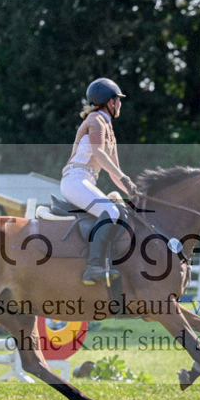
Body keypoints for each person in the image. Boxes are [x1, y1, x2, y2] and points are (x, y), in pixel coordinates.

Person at [60, 78, 138, 285]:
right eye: (118, 100)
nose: (120, 104)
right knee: (111, 212)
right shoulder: (95, 120)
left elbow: (114, 172)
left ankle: (106, 261)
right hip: (75, 179)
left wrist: (134, 193)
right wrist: (126, 179)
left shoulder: (109, 129)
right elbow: (98, 153)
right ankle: (93, 266)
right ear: (110, 102)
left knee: (121, 211)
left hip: (85, 180)